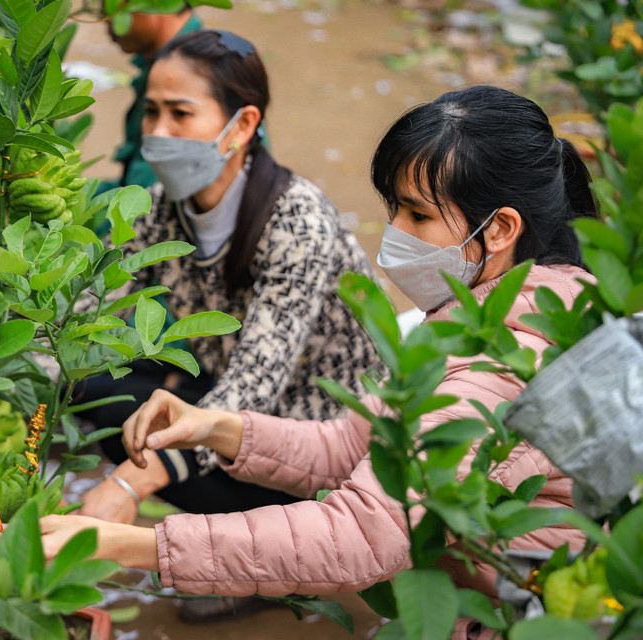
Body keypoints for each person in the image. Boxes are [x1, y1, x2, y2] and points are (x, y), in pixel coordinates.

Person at [40, 85, 599, 639]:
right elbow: (355, 446)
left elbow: (362, 535)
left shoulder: (505, 361)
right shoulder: (476, 318)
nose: (395, 234)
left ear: (499, 229)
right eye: (394, 210)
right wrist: (218, 428)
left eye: (417, 214)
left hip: (507, 618)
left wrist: (132, 544)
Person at [74, 28, 381, 547]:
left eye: (181, 113)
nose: (159, 133)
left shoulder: (297, 223)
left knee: (140, 442)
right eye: (151, 113)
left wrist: (129, 482)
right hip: (228, 395)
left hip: (312, 446)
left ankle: (257, 567)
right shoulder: (159, 210)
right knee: (103, 398)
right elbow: (85, 314)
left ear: (242, 126)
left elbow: (248, 397)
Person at [97, 4, 203, 191]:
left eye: (113, 8)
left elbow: (144, 199)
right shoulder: (157, 64)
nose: (105, 21)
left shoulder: (190, 72)